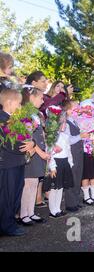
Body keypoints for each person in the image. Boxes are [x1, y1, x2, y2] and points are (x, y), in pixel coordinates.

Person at [0, 89, 36, 236]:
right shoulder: (2, 119)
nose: (20, 107)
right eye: (19, 103)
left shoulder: (13, 119)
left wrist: (32, 142)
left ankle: (9, 222)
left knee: (15, 193)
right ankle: (7, 226)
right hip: (8, 164)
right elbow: (9, 144)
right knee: (7, 196)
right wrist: (27, 147)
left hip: (17, 162)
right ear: (9, 102)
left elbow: (25, 137)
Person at [19, 87, 47, 226]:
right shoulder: (25, 113)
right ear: (31, 98)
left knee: (34, 182)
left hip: (39, 150)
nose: (43, 101)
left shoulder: (36, 113)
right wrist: (40, 151)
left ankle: (31, 212)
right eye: (41, 98)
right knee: (28, 183)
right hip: (31, 152)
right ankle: (23, 214)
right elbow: (27, 137)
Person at [43, 110, 74, 218]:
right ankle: (52, 210)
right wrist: (52, 167)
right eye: (64, 122)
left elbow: (68, 150)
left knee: (60, 187)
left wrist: (70, 162)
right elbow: (49, 153)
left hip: (65, 163)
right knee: (54, 188)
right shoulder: (51, 138)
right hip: (56, 164)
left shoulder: (65, 136)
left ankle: (58, 208)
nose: (66, 124)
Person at [63, 100, 87, 213]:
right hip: (72, 153)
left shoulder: (76, 121)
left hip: (78, 152)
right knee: (72, 177)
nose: (78, 109)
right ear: (68, 111)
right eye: (75, 108)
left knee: (78, 175)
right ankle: (70, 203)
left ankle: (76, 200)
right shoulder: (66, 123)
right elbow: (68, 140)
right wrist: (80, 135)